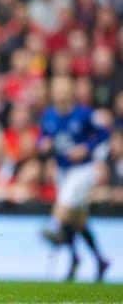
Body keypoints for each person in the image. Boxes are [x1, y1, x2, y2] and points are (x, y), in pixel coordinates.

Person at [38, 76, 110, 282]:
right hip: (63, 169)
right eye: (56, 89)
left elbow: (104, 134)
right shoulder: (49, 115)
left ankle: (52, 227)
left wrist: (86, 148)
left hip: (83, 169)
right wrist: (44, 144)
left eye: (63, 89)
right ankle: (95, 259)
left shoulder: (85, 114)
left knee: (65, 204)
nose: (59, 93)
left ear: (71, 92)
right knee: (77, 219)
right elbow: (43, 136)